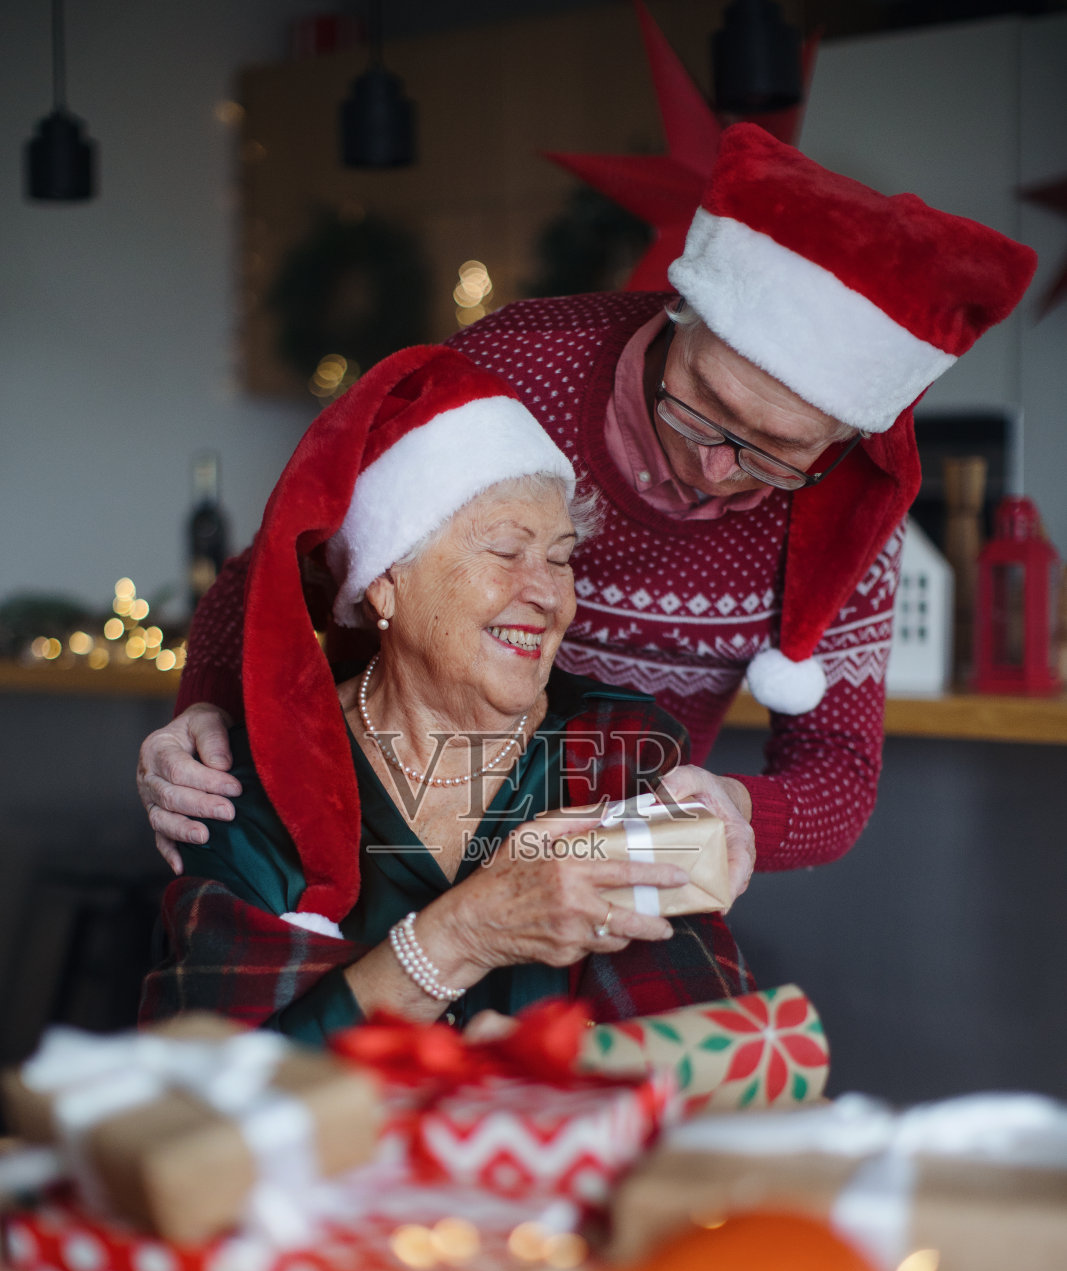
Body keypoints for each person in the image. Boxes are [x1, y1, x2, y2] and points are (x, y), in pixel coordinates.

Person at [137, 125, 1035, 880]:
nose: (718, 468)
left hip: (601, 866)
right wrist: (203, 706)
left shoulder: (853, 507)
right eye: (703, 410)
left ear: (839, 442)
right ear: (678, 317)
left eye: (776, 453)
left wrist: (734, 807)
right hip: (372, 827)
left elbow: (835, 775)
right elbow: (278, 567)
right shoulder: (517, 368)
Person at [140, 346, 755, 1043]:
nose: (547, 593)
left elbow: (706, 1048)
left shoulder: (618, 753)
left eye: (559, 558)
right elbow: (206, 1100)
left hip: (561, 1150)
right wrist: (461, 936)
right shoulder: (252, 785)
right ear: (385, 580)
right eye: (504, 552)